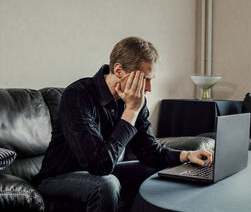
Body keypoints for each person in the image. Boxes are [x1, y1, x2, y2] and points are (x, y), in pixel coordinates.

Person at [34, 36, 214, 212]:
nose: (149, 88)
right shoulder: (78, 95)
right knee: (106, 184)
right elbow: (99, 165)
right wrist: (131, 112)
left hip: (102, 172)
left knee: (167, 171)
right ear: (119, 70)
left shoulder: (136, 101)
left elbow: (150, 152)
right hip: (58, 178)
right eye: (146, 79)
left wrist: (187, 155)